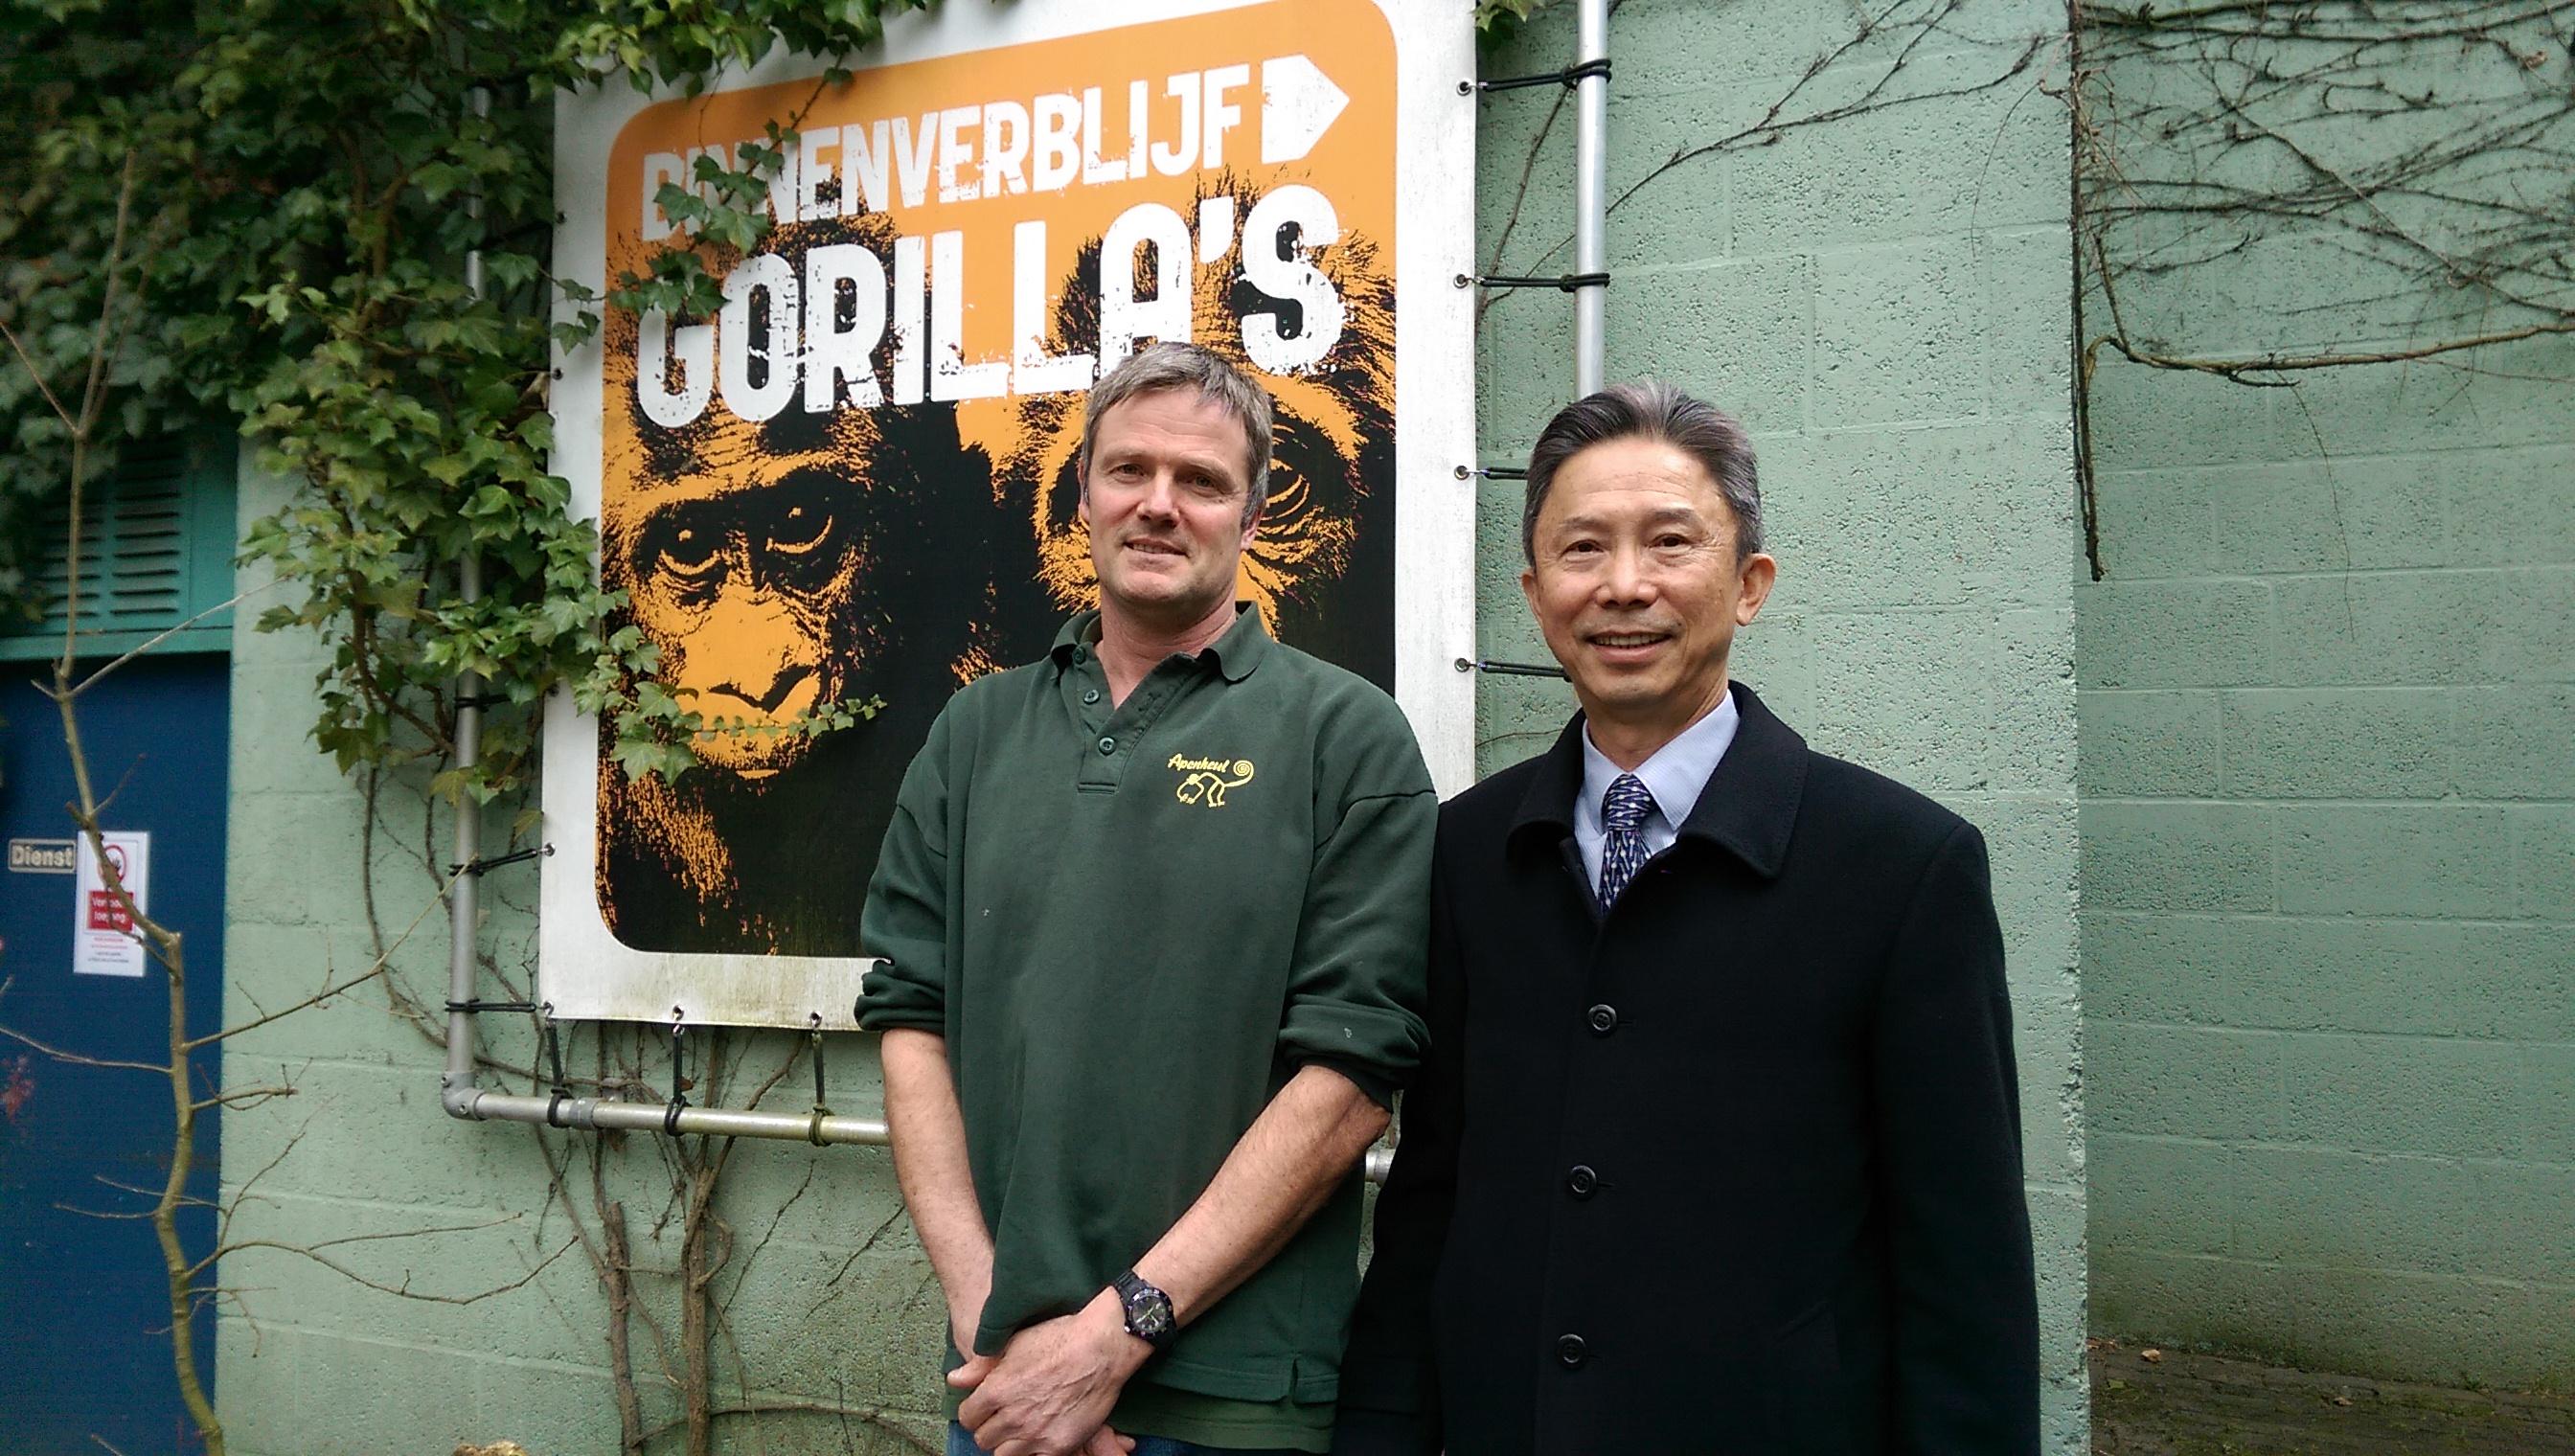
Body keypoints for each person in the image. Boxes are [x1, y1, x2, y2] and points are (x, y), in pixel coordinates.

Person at [1333, 382, 2040, 1454]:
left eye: (1671, 542)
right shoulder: (1469, 850)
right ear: (1534, 591)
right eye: (1582, 549)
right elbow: (1430, 1203)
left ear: (1750, 582)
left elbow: (1965, 1272)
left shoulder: (1903, 867)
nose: (1625, 586)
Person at [857, 341, 1437, 1456]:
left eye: (1203, 481)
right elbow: (908, 1018)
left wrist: (1113, 1333)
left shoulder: (1345, 738)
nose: (1159, 505)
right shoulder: (973, 733)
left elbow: (1355, 1075)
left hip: (1233, 1403)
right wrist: (1004, 1327)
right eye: (1128, 470)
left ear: (1253, 514)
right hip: (1006, 1395)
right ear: (1083, 494)